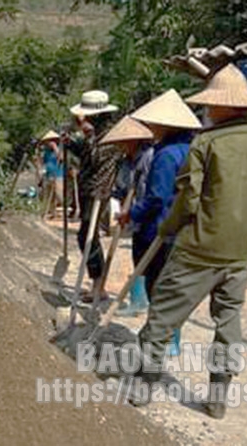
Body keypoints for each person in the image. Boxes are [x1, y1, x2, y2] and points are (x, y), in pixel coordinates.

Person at [129, 65, 247, 419]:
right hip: (240, 253)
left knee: (163, 318)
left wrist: (167, 229)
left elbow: (187, 200)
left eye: (210, 104)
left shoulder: (207, 143)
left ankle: (143, 385)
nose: (206, 110)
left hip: (199, 250)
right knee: (228, 324)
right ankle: (217, 399)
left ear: (221, 106)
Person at [117, 90, 203, 356]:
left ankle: (164, 340)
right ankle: (168, 338)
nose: (150, 128)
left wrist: (132, 214)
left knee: (159, 287)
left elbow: (157, 197)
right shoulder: (191, 148)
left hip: (160, 229)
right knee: (171, 288)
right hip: (182, 228)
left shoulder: (165, 155)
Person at [65, 90, 120, 302]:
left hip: (98, 192)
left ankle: (99, 285)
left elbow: (97, 158)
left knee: (88, 236)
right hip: (88, 189)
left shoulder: (111, 135)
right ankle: (98, 283)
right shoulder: (96, 134)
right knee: (86, 235)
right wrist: (72, 143)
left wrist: (87, 135)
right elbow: (87, 154)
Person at [100, 116, 154, 318]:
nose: (120, 146)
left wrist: (133, 210)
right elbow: (123, 188)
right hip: (135, 217)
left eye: (123, 142)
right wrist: (115, 196)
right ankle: (138, 300)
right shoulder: (125, 163)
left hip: (149, 215)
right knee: (138, 256)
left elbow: (151, 191)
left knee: (149, 260)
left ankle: (146, 300)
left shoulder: (149, 157)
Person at [38, 130, 64, 219]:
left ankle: (64, 211)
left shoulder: (59, 149)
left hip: (58, 174)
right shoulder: (46, 152)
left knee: (59, 193)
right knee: (48, 195)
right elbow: (43, 162)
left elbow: (62, 158)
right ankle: (52, 213)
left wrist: (55, 148)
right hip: (48, 174)